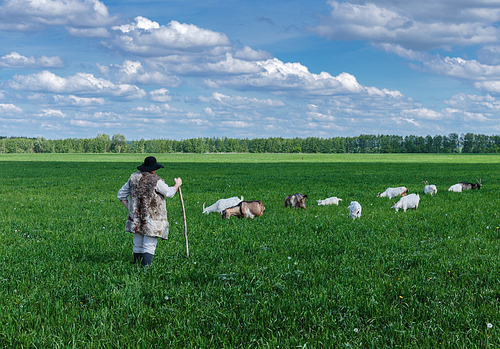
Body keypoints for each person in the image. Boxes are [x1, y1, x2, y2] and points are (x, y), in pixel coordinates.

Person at [117, 156, 182, 268]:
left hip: (136, 217)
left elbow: (121, 195)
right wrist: (177, 184)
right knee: (149, 244)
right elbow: (169, 193)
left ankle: (136, 266)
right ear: (154, 169)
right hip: (153, 218)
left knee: (137, 243)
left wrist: (131, 209)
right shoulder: (156, 180)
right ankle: (145, 270)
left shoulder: (134, 177)